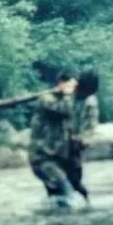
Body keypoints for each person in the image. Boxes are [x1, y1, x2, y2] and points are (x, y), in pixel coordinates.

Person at [29, 71, 77, 207]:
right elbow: (65, 110)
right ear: (61, 83)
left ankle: (52, 218)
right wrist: (67, 94)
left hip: (56, 159)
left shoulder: (66, 100)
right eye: (71, 85)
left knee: (56, 198)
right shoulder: (46, 99)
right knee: (67, 193)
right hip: (43, 159)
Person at [66, 69, 99, 201]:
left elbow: (89, 129)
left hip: (75, 145)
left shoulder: (90, 102)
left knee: (74, 180)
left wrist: (78, 140)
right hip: (64, 142)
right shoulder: (73, 95)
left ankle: (84, 201)